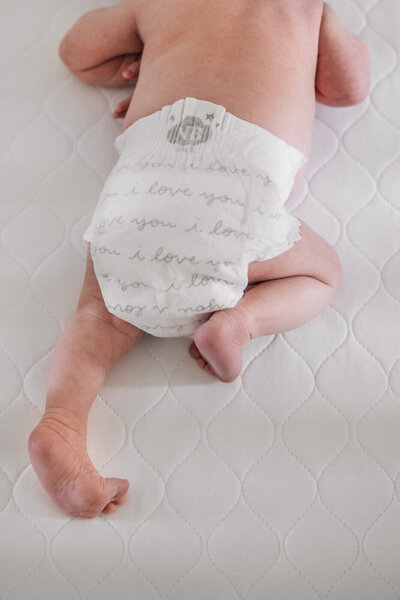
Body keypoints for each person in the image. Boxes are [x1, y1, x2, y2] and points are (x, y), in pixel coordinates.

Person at [28, 0, 370, 519]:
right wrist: (326, 19)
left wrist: (140, 64)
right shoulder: (300, 8)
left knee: (97, 319)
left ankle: (61, 423)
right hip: (231, 208)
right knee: (323, 272)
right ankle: (239, 322)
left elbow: (77, 53)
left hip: (141, 191)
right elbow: (346, 89)